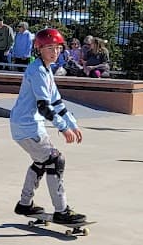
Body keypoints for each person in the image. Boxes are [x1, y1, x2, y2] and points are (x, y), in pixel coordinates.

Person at [9, 27, 87, 227]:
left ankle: (25, 204)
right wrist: (63, 128)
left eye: (58, 48)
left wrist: (72, 124)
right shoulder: (37, 71)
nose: (55, 52)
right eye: (49, 48)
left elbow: (57, 102)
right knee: (55, 160)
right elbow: (44, 106)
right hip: (28, 126)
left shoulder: (45, 69)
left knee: (41, 162)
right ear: (40, 49)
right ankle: (61, 210)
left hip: (26, 125)